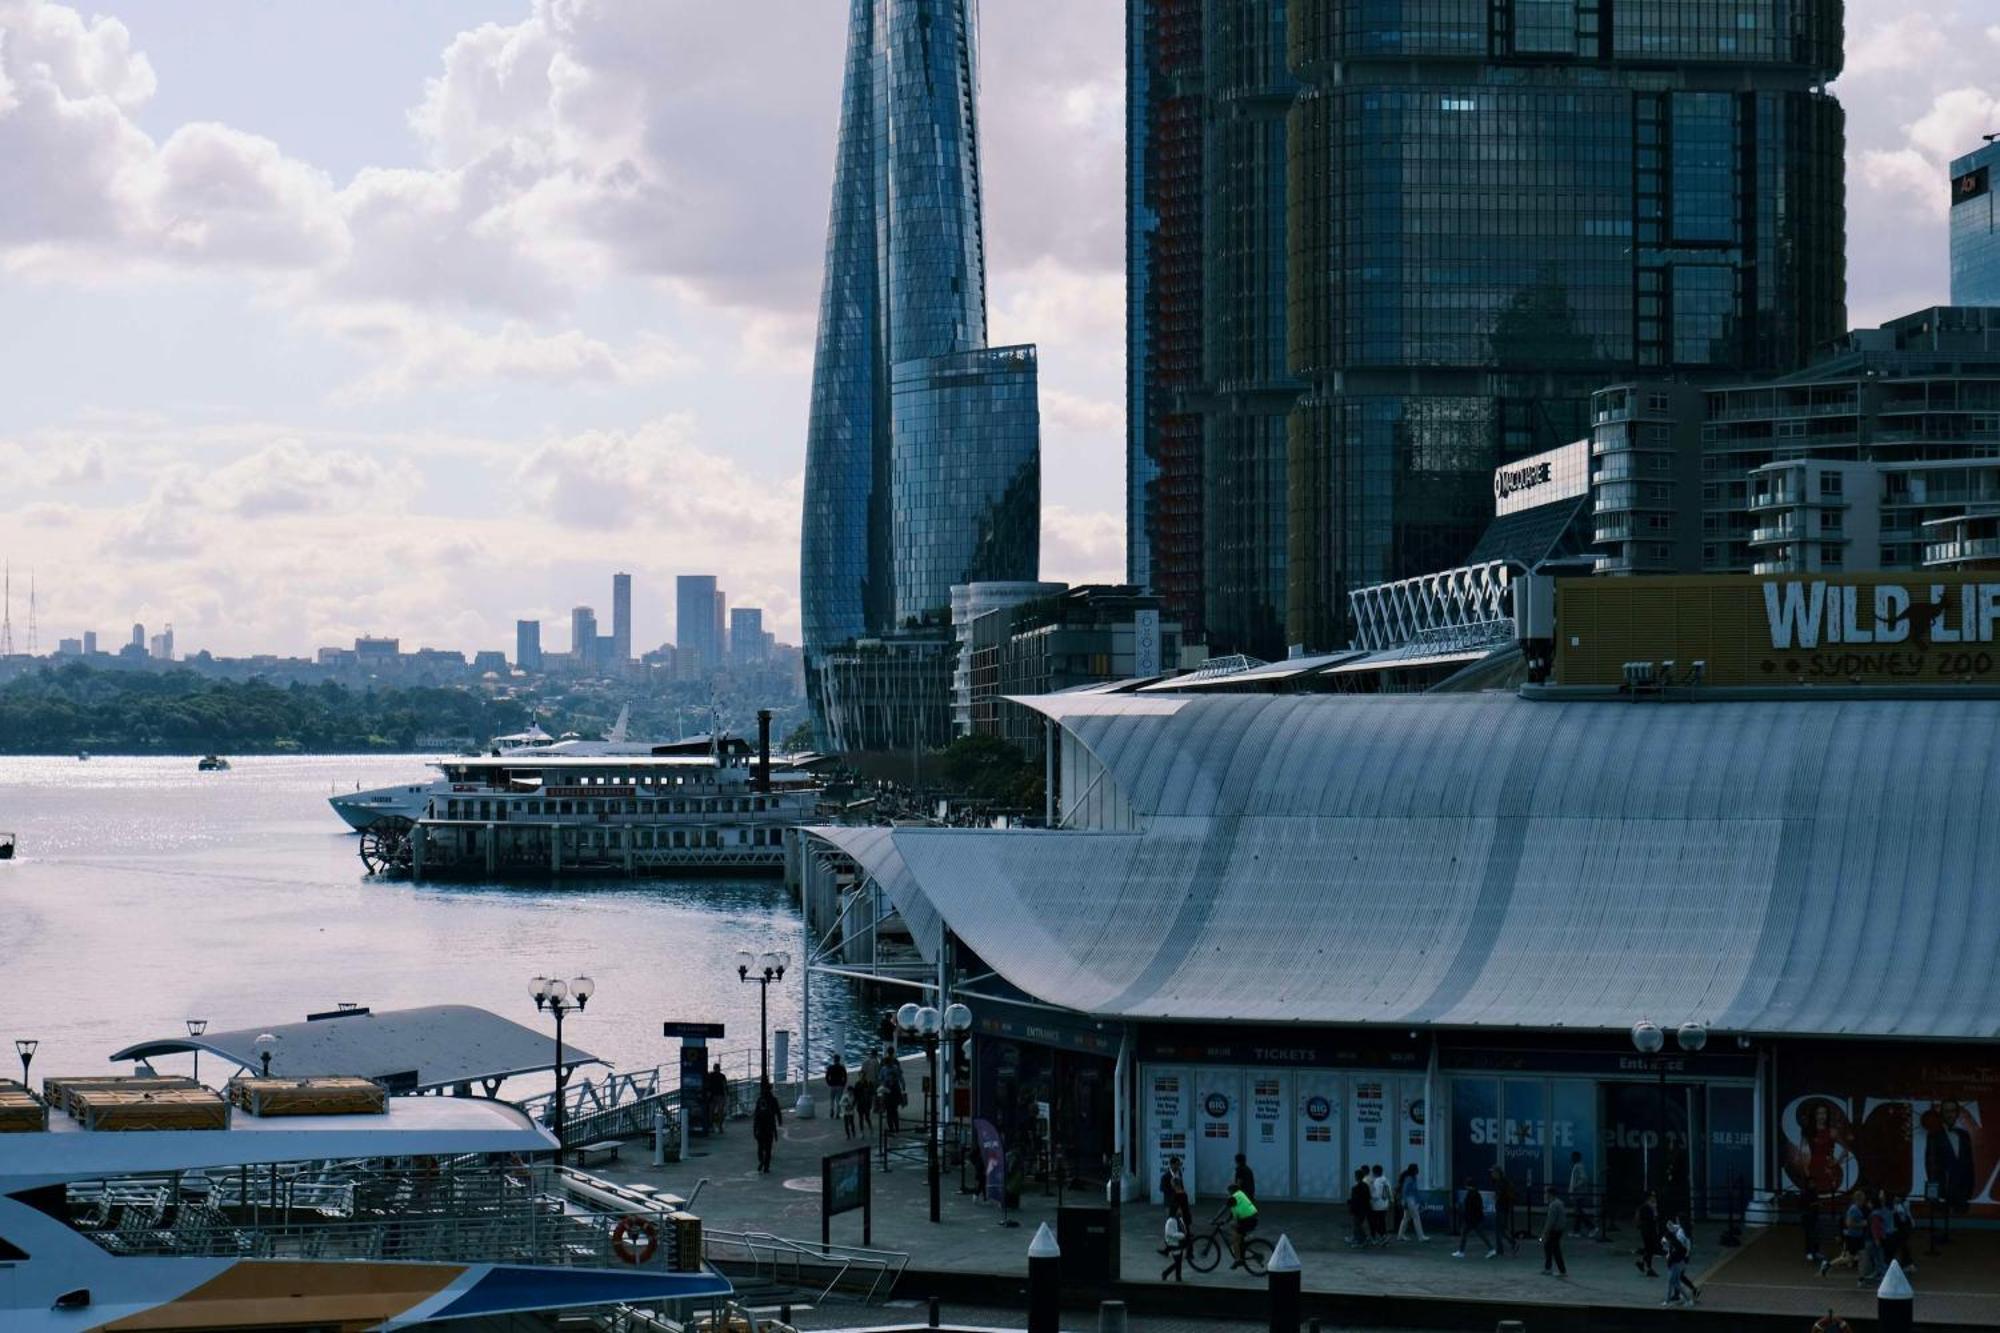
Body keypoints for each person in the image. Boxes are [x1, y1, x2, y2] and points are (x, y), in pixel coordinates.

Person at [1924, 1099, 1977, 1211]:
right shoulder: (1934, 1135)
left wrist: (1969, 1191)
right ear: (1941, 1113)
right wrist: (1934, 1195)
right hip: (1944, 1192)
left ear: (1957, 1113)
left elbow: (1969, 1165)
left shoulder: (1964, 1135)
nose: (1950, 1114)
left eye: (1952, 1111)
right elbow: (1931, 1165)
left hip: (1962, 1193)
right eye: (1946, 1111)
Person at [1822, 1188, 1867, 1275]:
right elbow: (1848, 1223)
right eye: (1863, 1200)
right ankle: (1828, 1265)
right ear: (1859, 1199)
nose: (1864, 1202)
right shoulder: (1853, 1209)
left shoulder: (1857, 1208)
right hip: (1853, 1237)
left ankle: (1862, 1277)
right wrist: (1862, 1224)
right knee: (1849, 1259)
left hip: (1857, 1237)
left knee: (1858, 1257)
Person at [1453, 1178, 1496, 1259]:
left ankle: (1461, 1252)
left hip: (1472, 1219)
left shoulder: (1472, 1194)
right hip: (1475, 1218)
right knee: (1479, 1234)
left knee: (1466, 1234)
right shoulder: (1475, 1193)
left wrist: (1465, 1212)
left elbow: (1471, 1207)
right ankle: (1491, 1249)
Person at [1663, 1216, 1698, 1306]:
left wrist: (1673, 1255)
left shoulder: (1682, 1233)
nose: (1676, 1222)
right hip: (1680, 1258)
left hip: (1679, 1259)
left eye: (1678, 1220)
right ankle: (1678, 1296)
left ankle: (1687, 1296)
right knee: (1677, 1279)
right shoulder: (1681, 1229)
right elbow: (1673, 1227)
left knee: (1676, 1280)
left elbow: (1684, 1247)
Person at [751, 1080, 782, 1174]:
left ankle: (761, 1160)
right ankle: (766, 1166)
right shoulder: (773, 1100)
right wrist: (779, 1121)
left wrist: (754, 1128)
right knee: (768, 1148)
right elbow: (778, 1112)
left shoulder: (760, 1100)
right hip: (769, 1126)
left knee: (760, 1147)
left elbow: (756, 1115)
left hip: (760, 1127)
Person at [1225, 1184, 1259, 1268]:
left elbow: (1225, 1209)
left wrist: (1215, 1219)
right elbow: (1232, 1213)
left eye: (1228, 1192)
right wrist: (1227, 1220)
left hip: (1247, 1220)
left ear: (1231, 1191)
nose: (1227, 1194)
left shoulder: (1233, 1198)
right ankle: (1242, 1244)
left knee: (1235, 1240)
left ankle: (1238, 1260)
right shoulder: (1240, 1194)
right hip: (1252, 1218)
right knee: (1234, 1227)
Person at [1396, 1163, 1428, 1242]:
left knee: (1406, 1218)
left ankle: (1400, 1235)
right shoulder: (1410, 1179)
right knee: (1416, 1217)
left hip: (1410, 1200)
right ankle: (1421, 1236)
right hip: (1410, 1200)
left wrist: (1419, 1201)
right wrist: (1405, 1201)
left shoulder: (1411, 1178)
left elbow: (1413, 1191)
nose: (1418, 1170)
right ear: (1414, 1170)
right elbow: (1405, 1191)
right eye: (1417, 1169)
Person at [1489, 1166, 1517, 1255]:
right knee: (1500, 1229)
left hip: (1501, 1208)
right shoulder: (1504, 1182)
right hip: (1504, 1208)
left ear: (1497, 1173)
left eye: (1493, 1172)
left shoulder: (1500, 1183)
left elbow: (1498, 1196)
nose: (1492, 1174)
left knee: (1499, 1229)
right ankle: (1504, 1247)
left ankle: (1509, 1244)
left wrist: (1495, 1199)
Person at [1541, 1190, 1568, 1277]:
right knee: (1553, 1248)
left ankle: (1554, 1269)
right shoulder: (1560, 1203)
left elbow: (1550, 1221)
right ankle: (1557, 1269)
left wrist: (1545, 1232)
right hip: (1559, 1229)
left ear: (1550, 1194)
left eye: (1547, 1194)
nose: (1546, 1196)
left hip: (1554, 1230)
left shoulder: (1553, 1205)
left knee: (1551, 1248)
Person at [1636, 1189, 1662, 1277]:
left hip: (1648, 1230)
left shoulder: (1650, 1206)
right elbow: (1651, 1219)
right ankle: (1648, 1268)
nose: (1654, 1198)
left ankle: (1643, 1263)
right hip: (1648, 1231)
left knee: (1649, 1249)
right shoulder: (1646, 1207)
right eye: (1652, 1196)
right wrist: (1654, 1212)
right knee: (1650, 1249)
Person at [1567, 1151, 1592, 1237]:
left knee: (1579, 1212)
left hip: (1578, 1193)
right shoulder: (1577, 1166)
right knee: (1578, 1212)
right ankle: (1576, 1231)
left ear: (1576, 1158)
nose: (1571, 1158)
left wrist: (1574, 1187)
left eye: (1573, 1157)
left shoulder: (1578, 1167)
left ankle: (1591, 1227)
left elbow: (1584, 1178)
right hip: (1578, 1193)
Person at [1160, 1209, 1188, 1282]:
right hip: (1174, 1244)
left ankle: (1176, 1277)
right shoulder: (1171, 1221)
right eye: (1178, 1209)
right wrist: (1182, 1235)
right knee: (1178, 1262)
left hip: (1180, 1243)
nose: (1180, 1211)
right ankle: (1168, 1274)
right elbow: (1170, 1234)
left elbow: (1183, 1229)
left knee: (1178, 1262)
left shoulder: (1180, 1219)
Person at [1347, 1169, 1373, 1249]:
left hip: (1358, 1210)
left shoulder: (1355, 1188)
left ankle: (1361, 1241)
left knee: (1357, 1225)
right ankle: (1357, 1239)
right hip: (1364, 1209)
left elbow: (1355, 1201)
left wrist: (1350, 1206)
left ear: (1356, 1177)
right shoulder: (1365, 1186)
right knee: (1358, 1225)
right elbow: (1368, 1197)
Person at [703, 1060, 729, 1135]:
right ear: (719, 1069)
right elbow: (725, 1086)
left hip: (712, 1096)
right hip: (720, 1095)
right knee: (720, 1111)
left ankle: (711, 1126)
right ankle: (720, 1127)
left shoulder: (710, 1075)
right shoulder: (722, 1076)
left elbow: (707, 1085)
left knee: (711, 1111)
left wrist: (707, 1093)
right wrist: (727, 1094)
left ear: (713, 1068)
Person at [854, 1050, 878, 1131]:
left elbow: (861, 1070)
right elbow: (877, 1072)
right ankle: (874, 1107)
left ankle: (863, 1131)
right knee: (874, 1095)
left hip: (861, 1101)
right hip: (873, 1080)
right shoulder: (875, 1061)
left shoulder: (864, 1062)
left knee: (861, 1117)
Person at [1799, 1184, 1823, 1265]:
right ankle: (1810, 1252)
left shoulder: (1813, 1194)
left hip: (1814, 1217)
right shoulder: (1805, 1194)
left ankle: (1815, 1252)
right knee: (1809, 1235)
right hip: (1808, 1217)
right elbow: (1805, 1205)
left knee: (1815, 1234)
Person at [881, 1055, 905, 1133]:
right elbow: (901, 1078)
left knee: (890, 1111)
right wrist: (903, 1085)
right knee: (893, 1111)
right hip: (894, 1091)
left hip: (890, 1092)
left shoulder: (884, 1069)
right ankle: (895, 1128)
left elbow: (880, 1079)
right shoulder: (895, 1068)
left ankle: (893, 1128)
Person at [1369, 1164, 1392, 1245]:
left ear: (1374, 1172)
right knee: (1382, 1221)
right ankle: (1383, 1236)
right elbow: (1389, 1192)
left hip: (1377, 1206)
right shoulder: (1386, 1180)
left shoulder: (1377, 1181)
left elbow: (1376, 1195)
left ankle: (1381, 1236)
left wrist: (1370, 1194)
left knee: (1375, 1222)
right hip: (1385, 1204)